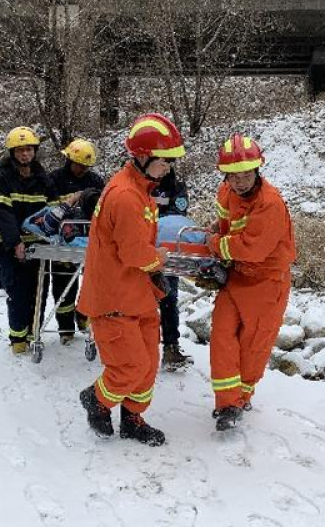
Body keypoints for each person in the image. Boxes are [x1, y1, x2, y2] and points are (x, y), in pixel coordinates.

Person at [78, 113, 185, 446]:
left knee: (148, 364)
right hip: (114, 298)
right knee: (129, 367)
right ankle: (96, 400)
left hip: (135, 293)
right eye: (164, 160)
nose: (168, 167)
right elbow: (133, 253)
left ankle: (132, 419)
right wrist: (159, 258)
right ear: (142, 156)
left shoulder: (140, 189)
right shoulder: (126, 196)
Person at [206, 133, 296, 431]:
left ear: (257, 170)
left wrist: (216, 244)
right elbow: (222, 225)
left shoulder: (269, 203)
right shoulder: (225, 193)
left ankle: (241, 398)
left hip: (267, 282)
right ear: (226, 177)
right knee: (221, 336)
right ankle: (227, 404)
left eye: (245, 174)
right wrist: (214, 243)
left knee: (253, 345)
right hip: (237, 278)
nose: (240, 181)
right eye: (233, 176)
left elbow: (253, 248)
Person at [0, 127, 51, 354]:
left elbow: (52, 211)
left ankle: (34, 331)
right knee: (18, 292)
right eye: (20, 150)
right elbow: (3, 212)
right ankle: (17, 338)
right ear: (12, 152)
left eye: (29, 150)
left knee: (39, 291)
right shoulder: (1, 178)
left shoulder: (43, 178)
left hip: (37, 245)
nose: (25, 154)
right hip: (8, 245)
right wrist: (15, 242)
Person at [47, 138, 105, 345]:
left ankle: (83, 315)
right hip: (62, 241)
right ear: (69, 160)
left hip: (89, 240)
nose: (82, 170)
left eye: (86, 166)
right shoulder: (54, 179)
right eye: (79, 165)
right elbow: (50, 209)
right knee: (63, 284)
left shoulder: (96, 182)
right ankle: (65, 328)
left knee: (91, 283)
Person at [152, 168, 194, 370]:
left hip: (166, 250)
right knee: (133, 299)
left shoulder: (176, 188)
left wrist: (154, 225)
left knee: (168, 299)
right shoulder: (139, 184)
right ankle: (135, 349)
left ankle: (170, 347)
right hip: (138, 249)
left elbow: (178, 217)